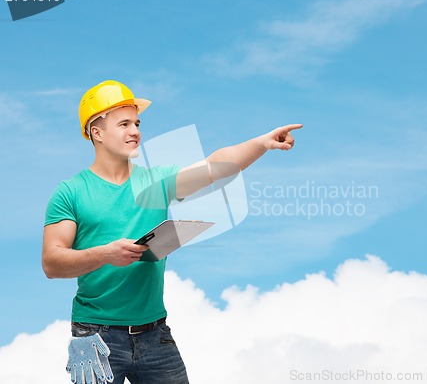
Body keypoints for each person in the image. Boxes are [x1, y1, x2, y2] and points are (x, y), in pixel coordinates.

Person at [42, 80, 302, 384]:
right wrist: (106, 254)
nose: (136, 131)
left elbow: (214, 167)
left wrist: (262, 143)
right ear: (96, 132)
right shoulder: (70, 192)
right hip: (96, 337)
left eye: (137, 123)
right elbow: (52, 262)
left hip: (155, 335)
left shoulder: (156, 183)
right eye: (124, 123)